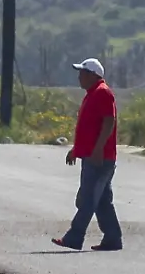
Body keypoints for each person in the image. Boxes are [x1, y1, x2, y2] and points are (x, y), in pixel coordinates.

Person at [52, 57, 122, 252]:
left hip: (99, 158)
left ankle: (74, 237)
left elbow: (109, 122)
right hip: (92, 155)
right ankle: (113, 238)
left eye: (82, 73)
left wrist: (98, 149)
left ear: (93, 75)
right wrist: (76, 150)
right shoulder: (92, 94)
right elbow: (88, 129)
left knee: (88, 199)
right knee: (101, 201)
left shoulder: (102, 93)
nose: (79, 77)